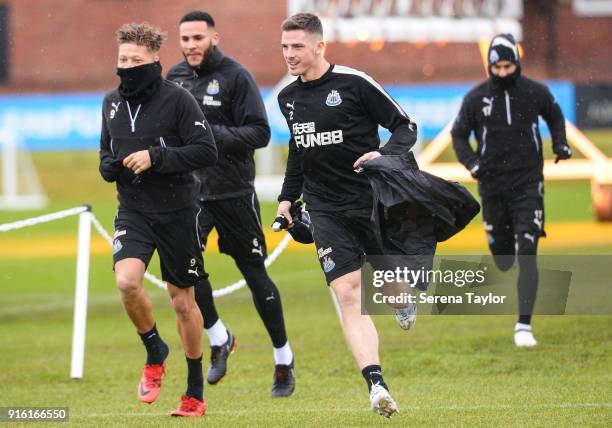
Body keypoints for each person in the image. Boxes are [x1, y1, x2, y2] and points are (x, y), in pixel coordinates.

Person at [276, 13, 419, 418]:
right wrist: (288, 199)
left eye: (297, 46)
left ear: (320, 46)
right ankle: (376, 384)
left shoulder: (354, 83)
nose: (289, 55)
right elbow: (298, 152)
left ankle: (402, 300)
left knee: (392, 289)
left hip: (372, 201)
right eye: (285, 47)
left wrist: (384, 156)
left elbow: (405, 127)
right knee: (348, 292)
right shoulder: (288, 98)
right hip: (325, 210)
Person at [166, 11, 295, 397]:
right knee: (184, 273)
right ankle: (220, 337)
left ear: (214, 38)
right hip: (191, 194)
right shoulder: (174, 78)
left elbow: (259, 132)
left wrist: (210, 134)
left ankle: (283, 360)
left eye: (197, 38)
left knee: (255, 275)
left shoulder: (236, 77)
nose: (190, 45)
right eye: (185, 39)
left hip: (235, 192)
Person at [99, 22, 218, 416]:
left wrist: (156, 157)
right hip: (133, 210)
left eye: (136, 60)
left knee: (183, 302)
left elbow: (205, 151)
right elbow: (104, 155)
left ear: (153, 60)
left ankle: (194, 391)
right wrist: (111, 167)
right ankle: (155, 350)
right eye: (122, 59)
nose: (128, 66)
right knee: (126, 282)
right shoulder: (110, 102)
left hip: (178, 212)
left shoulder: (178, 100)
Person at [451, 33, 572, 347]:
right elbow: (459, 136)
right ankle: (502, 247)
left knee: (528, 252)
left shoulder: (535, 92)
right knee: (504, 258)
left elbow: (556, 116)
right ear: (490, 67)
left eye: (508, 66)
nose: (503, 72)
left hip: (528, 184)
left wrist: (560, 143)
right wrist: (474, 165)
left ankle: (523, 326)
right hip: (492, 187)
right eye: (497, 67)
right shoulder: (476, 98)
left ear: (517, 62)